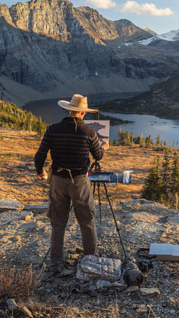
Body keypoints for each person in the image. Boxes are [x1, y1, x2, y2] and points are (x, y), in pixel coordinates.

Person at [34, 94, 110, 274]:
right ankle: (90, 262)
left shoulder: (53, 130)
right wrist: (104, 148)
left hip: (58, 181)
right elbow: (98, 156)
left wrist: (40, 172)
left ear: (69, 110)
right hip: (80, 182)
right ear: (83, 113)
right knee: (87, 221)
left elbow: (40, 155)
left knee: (58, 223)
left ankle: (55, 265)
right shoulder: (90, 133)